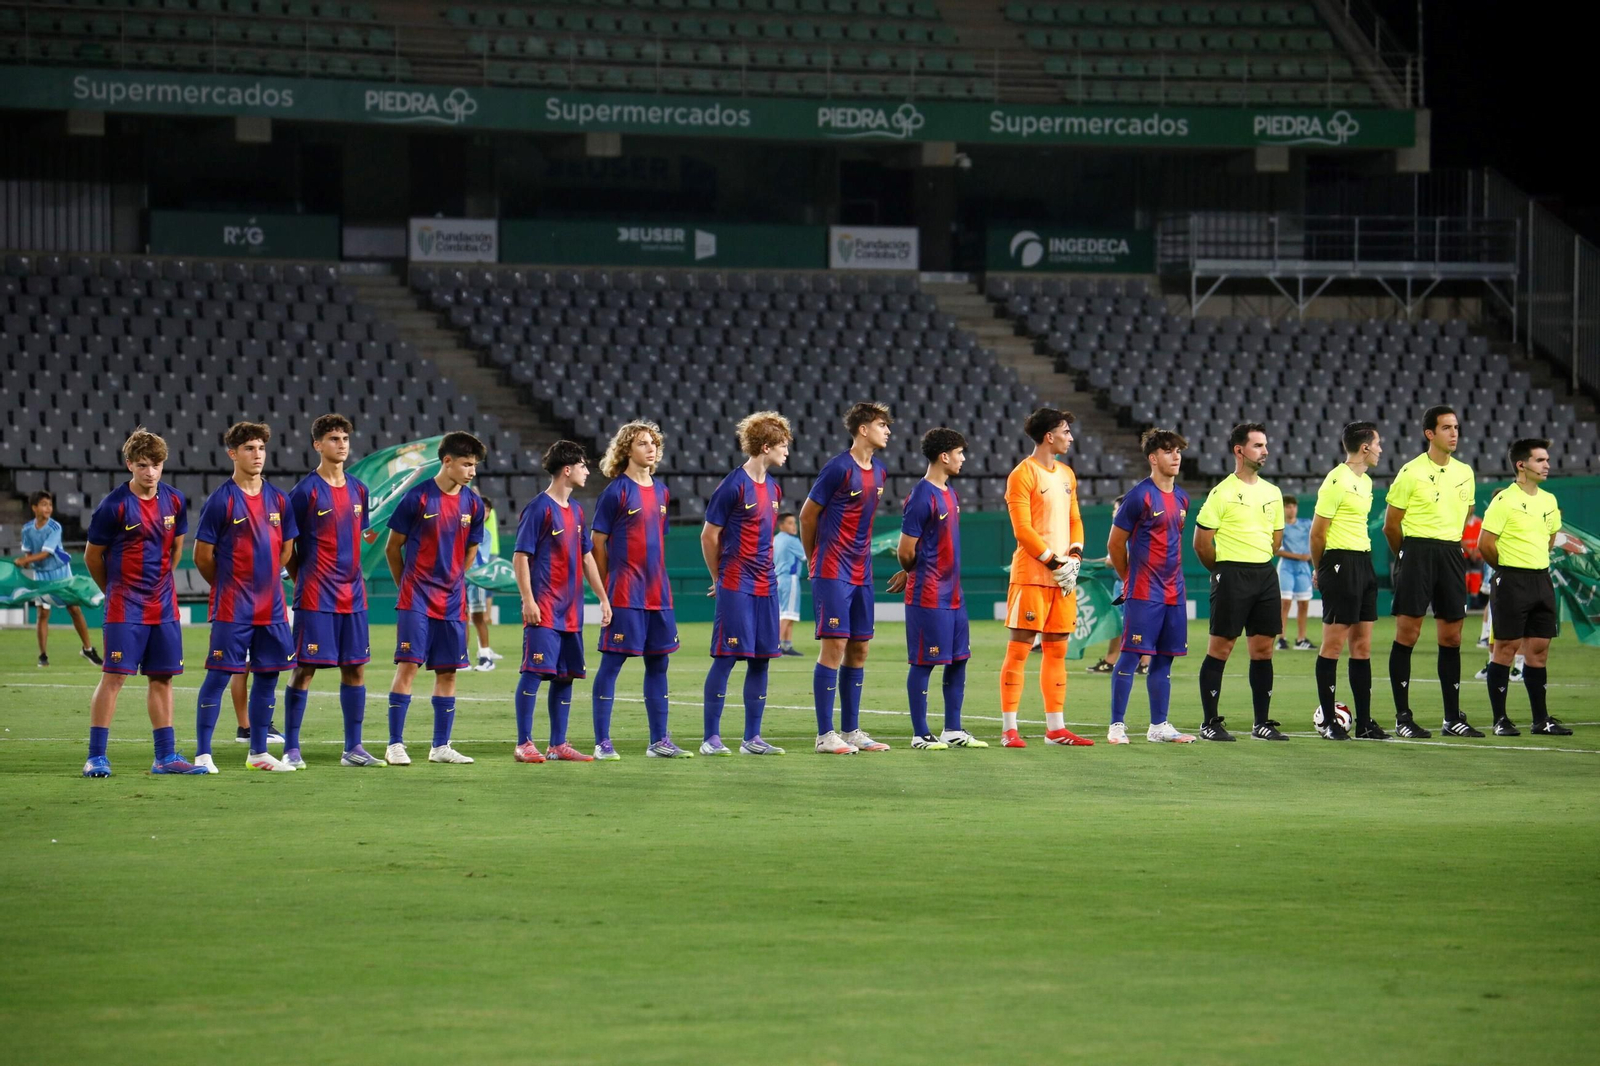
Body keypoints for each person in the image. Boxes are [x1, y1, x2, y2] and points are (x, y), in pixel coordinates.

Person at [81, 428, 205, 776]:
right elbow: (93, 557)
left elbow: (176, 547)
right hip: (125, 605)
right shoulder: (114, 506)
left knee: (163, 678)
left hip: (163, 605)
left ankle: (165, 757)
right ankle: (96, 756)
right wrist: (115, 589)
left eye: (156, 465)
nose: (150, 472)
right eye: (142, 465)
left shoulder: (175, 500)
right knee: (114, 677)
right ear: (129, 465)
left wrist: (161, 583)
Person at [192, 421, 300, 773]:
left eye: (261, 448)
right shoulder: (221, 499)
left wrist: (264, 579)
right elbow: (202, 556)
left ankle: (257, 753)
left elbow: (286, 549)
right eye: (249, 449)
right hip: (232, 605)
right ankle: (203, 754)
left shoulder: (278, 498)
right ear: (233, 454)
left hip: (271, 606)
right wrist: (228, 584)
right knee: (219, 675)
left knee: (269, 675)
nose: (257, 455)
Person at [284, 413, 385, 767]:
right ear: (317, 445)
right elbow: (288, 549)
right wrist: (302, 581)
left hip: (353, 596)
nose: (341, 445)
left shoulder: (359, 489)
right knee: (305, 668)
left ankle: (353, 749)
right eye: (333, 439)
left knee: (355, 669)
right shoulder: (305, 492)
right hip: (315, 595)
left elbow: (361, 538)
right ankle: (292, 748)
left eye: (344, 438)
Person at [384, 432, 488, 766]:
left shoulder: (472, 503)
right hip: (416, 595)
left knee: (448, 672)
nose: (472, 471)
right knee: (409, 666)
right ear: (447, 461)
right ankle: (395, 744)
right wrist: (406, 586)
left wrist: (456, 575)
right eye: (466, 464)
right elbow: (392, 547)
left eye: (474, 465)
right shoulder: (417, 498)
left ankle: (440, 746)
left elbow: (472, 547)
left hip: (452, 599)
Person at [591, 420, 689, 758]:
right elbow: (597, 544)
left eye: (654, 444)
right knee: (613, 664)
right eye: (643, 443)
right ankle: (602, 742)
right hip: (625, 592)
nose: (651, 449)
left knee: (659, 665)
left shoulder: (662, 491)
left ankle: (659, 741)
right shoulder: (615, 491)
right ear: (626, 450)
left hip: (657, 593)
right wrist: (606, 588)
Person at [802, 401, 894, 754]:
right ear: (862, 429)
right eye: (881, 425)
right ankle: (825, 735)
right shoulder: (838, 468)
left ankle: (851, 730)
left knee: (859, 648)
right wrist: (816, 558)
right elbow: (808, 516)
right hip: (832, 569)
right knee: (835, 646)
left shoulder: (880, 472)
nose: (887, 431)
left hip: (862, 571)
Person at [699, 411, 794, 756]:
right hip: (737, 581)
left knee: (761, 659)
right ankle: (711, 738)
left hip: (765, 584)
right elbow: (709, 537)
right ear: (765, 446)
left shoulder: (773, 487)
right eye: (783, 446)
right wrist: (719, 578)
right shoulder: (733, 485)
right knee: (727, 657)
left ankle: (752, 738)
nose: (787, 452)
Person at [999, 406, 1091, 749]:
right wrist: (1055, 562)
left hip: (1063, 578)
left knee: (1057, 653)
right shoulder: (1022, 474)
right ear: (1049, 436)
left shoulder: (1067, 474)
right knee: (1020, 651)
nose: (1070, 437)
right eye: (1065, 431)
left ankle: (1056, 728)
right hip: (1032, 575)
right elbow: (1022, 530)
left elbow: (1075, 519)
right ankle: (1009, 728)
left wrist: (1075, 557)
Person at [513, 440, 610, 763]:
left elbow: (587, 558)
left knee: (565, 674)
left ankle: (558, 744)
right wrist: (528, 600)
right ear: (567, 470)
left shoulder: (578, 511)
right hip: (544, 607)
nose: (587, 471)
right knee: (534, 671)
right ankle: (524, 743)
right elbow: (521, 556)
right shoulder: (539, 508)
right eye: (583, 465)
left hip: (571, 610)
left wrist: (602, 597)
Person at [1383, 405, 1477, 738]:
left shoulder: (1466, 472)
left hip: (1451, 553)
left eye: (1456, 427)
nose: (1454, 433)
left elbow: (1466, 514)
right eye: (1447, 427)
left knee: (1452, 637)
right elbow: (1390, 526)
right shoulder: (1410, 472)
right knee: (1408, 633)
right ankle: (1403, 718)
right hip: (1417, 552)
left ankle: (1453, 718)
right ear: (1430, 434)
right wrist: (1406, 557)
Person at [1478, 439, 1583, 736]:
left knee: (1539, 651)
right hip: (1511, 580)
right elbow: (1485, 544)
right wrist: (1508, 568)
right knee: (1505, 650)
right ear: (1521, 465)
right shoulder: (1504, 500)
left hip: (1541, 580)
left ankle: (1541, 720)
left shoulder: (1549, 500)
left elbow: (1550, 537)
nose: (1547, 465)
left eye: (1547, 459)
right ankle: (1500, 720)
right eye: (1540, 460)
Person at [1193, 422, 1288, 742]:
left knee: (1264, 650)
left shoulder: (1273, 492)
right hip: (1231, 574)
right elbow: (1201, 543)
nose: (1265, 451)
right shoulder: (1222, 492)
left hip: (1264, 575)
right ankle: (1210, 722)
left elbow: (1276, 540)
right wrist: (1220, 571)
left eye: (1265, 445)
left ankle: (1262, 723)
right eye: (1258, 445)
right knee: (1221, 648)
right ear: (1239, 450)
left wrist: (1260, 562)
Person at [895, 428, 985, 750]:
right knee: (924, 662)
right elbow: (905, 551)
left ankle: (953, 730)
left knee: (959, 659)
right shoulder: (921, 496)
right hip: (929, 594)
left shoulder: (950, 493)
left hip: (954, 595)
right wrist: (913, 573)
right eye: (960, 453)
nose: (963, 459)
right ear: (944, 456)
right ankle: (920, 733)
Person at [1105, 428, 1195, 744]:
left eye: (1178, 451)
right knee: (1130, 655)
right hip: (1144, 590)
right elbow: (1115, 544)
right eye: (1169, 451)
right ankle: (1117, 726)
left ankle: (1159, 726)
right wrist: (1128, 577)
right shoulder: (1139, 496)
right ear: (1153, 458)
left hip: (1174, 590)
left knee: (1164, 658)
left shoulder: (1183, 497)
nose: (1176, 457)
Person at [1310, 422, 1387, 741]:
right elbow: (1318, 532)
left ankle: (1366, 722)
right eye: (1378, 444)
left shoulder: (1366, 482)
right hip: (1339, 562)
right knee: (1333, 645)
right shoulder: (1336, 480)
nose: (1381, 450)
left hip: (1363, 562)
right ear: (1365, 447)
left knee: (1363, 645)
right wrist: (1321, 569)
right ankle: (1330, 722)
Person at [15, 490, 100, 667]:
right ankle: (43, 656)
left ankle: (88, 649)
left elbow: (46, 553)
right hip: (42, 576)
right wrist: (27, 562)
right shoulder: (27, 529)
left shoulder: (55, 527)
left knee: (74, 609)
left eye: (50, 505)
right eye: (44, 504)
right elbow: (29, 553)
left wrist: (25, 560)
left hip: (60, 573)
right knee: (43, 613)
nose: (48, 508)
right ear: (34, 507)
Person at [1276, 495, 1315, 650]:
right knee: (1285, 603)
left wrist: (1312, 555)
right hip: (1286, 567)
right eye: (1288, 506)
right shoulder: (1280, 527)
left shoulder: (1307, 524)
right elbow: (1277, 550)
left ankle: (1301, 639)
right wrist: (1301, 556)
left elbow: (1318, 536)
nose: (1291, 509)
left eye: (1293, 506)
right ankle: (1281, 638)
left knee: (1304, 603)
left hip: (1303, 568)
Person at [470, 497, 502, 672]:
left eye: (488, 510)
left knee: (477, 617)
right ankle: (462, 658)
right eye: (483, 508)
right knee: (461, 617)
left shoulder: (484, 533)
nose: (485, 512)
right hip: (461, 578)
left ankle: (485, 657)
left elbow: (479, 559)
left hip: (476, 579)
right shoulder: (462, 527)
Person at [773, 511, 806, 656]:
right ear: (781, 525)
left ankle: (787, 645)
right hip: (789, 578)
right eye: (790, 523)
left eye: (795, 523)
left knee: (785, 613)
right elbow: (806, 556)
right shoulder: (792, 541)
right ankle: (777, 644)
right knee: (788, 613)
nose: (794, 526)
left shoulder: (775, 539)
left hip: (777, 578)